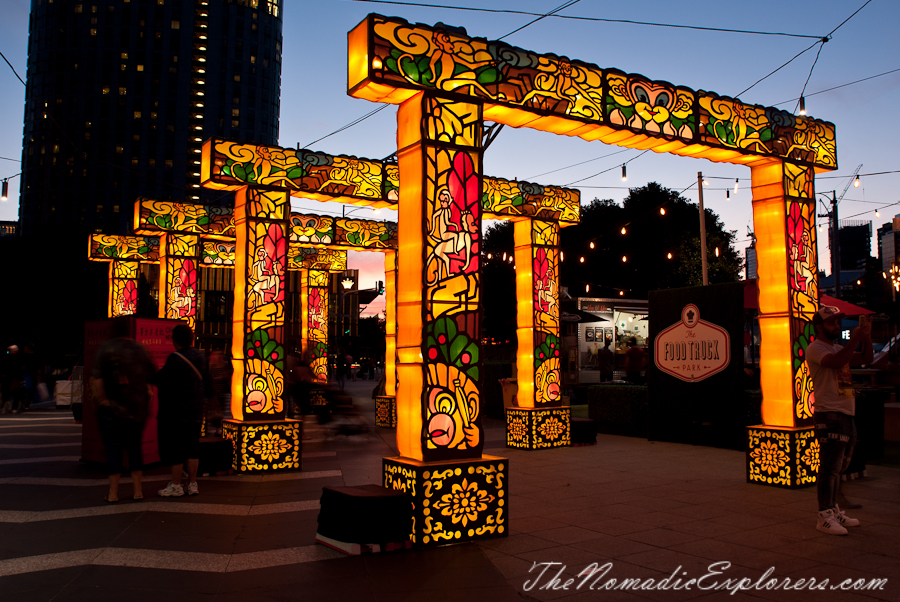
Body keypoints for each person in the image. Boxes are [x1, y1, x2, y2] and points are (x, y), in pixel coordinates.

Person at [805, 305, 872, 535]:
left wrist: (867, 338)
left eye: (837, 322)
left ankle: (833, 510)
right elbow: (835, 362)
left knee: (840, 465)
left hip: (845, 411)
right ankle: (823, 515)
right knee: (829, 467)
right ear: (819, 327)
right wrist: (855, 339)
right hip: (829, 413)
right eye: (832, 323)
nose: (836, 326)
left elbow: (866, 358)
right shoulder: (815, 348)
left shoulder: (836, 347)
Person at [90, 321, 156, 502]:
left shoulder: (105, 348)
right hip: (137, 408)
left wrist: (103, 400)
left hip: (112, 409)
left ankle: (112, 493)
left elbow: (97, 377)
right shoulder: (139, 349)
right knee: (135, 448)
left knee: (113, 449)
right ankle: (138, 491)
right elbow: (151, 375)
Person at [155, 325, 212, 497]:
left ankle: (176, 485)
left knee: (177, 450)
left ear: (175, 340)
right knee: (193, 447)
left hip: (177, 411)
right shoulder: (201, 356)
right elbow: (209, 382)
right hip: (196, 410)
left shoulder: (175, 358)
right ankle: (193, 484)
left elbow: (161, 380)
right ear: (191, 339)